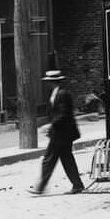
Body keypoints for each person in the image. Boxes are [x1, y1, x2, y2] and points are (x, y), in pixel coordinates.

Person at [30, 67, 84, 195]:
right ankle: (77, 185)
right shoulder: (55, 93)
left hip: (62, 133)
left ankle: (41, 187)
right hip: (60, 133)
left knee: (49, 160)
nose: (47, 83)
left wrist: (50, 125)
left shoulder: (62, 94)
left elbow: (64, 114)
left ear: (54, 82)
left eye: (48, 81)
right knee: (66, 159)